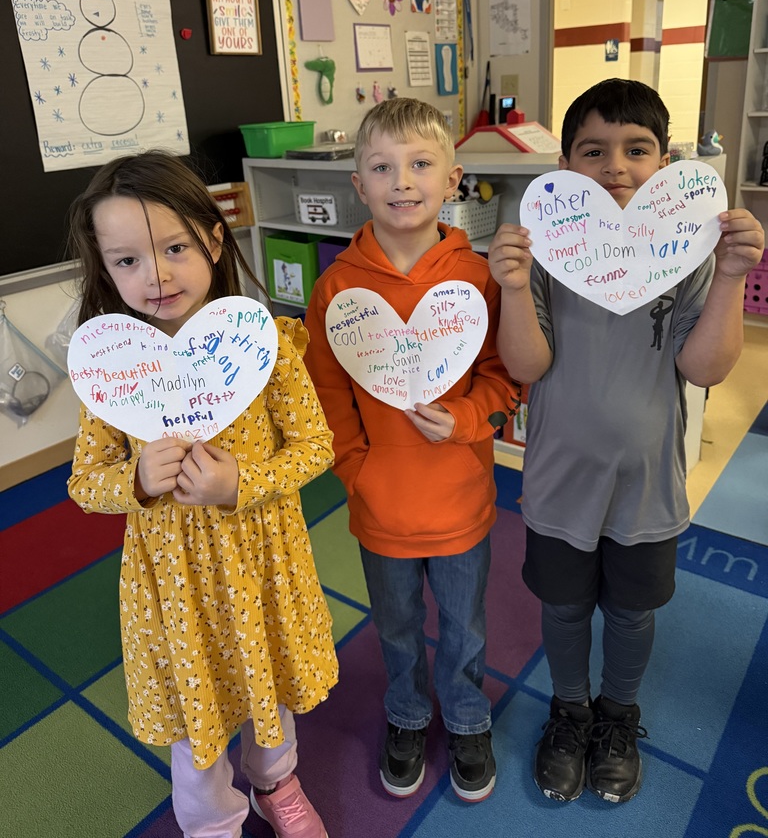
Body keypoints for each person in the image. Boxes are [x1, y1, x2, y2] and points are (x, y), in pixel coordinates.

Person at [488, 78, 765, 805]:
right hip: (556, 479)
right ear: (565, 165)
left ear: (664, 160)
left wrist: (733, 273)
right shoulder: (546, 252)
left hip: (646, 482)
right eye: (594, 151)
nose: (616, 166)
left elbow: (704, 367)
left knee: (633, 611)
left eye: (637, 149)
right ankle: (570, 710)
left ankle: (617, 715)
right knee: (565, 608)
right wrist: (514, 287)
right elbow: (525, 366)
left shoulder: (688, 250)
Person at [66, 150, 337, 838]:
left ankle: (278, 785)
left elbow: (315, 448)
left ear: (214, 242)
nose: (154, 275)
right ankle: (212, 821)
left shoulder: (268, 345)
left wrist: (238, 482)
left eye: (175, 248)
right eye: (125, 261)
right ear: (104, 268)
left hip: (263, 565)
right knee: (196, 716)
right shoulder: (114, 374)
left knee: (270, 687)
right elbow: (83, 481)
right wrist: (135, 480)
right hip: (175, 583)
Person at [303, 98, 520, 803]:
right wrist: (359, 473)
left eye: (421, 164)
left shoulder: (478, 278)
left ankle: (465, 717)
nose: (403, 180)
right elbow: (327, 397)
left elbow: (501, 379)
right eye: (382, 167)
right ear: (359, 185)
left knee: (464, 628)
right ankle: (405, 714)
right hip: (381, 508)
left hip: (460, 501)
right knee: (395, 628)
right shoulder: (337, 288)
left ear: (453, 179)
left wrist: (461, 421)